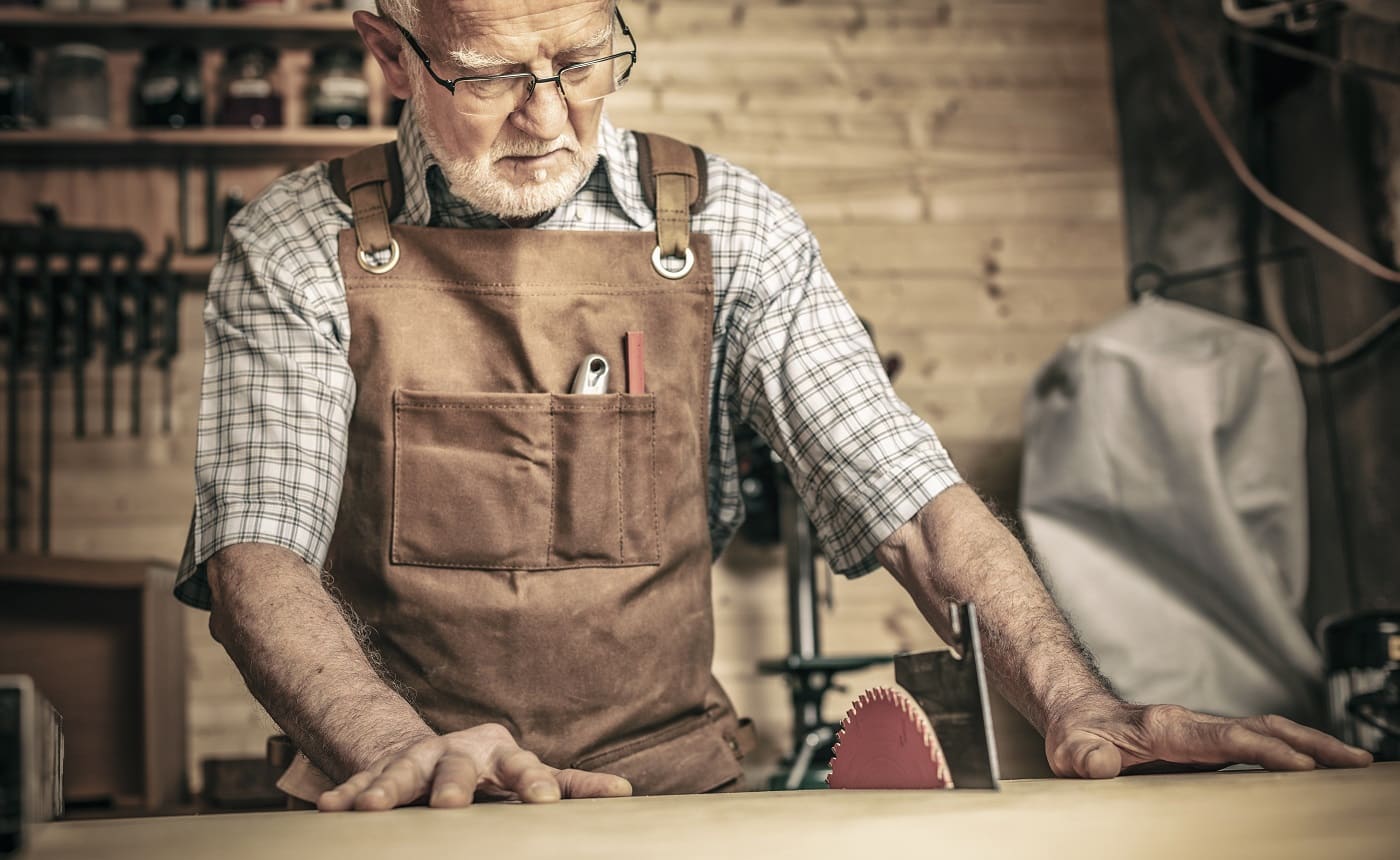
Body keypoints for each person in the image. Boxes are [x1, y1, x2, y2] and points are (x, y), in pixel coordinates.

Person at [177, 0, 1373, 812]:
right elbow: (257, 556)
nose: (547, 117)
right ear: (391, 53)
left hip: (668, 805)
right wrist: (395, 751)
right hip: (396, 804)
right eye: (492, 72)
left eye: (583, 57)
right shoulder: (300, 242)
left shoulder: (721, 222)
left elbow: (907, 500)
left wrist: (1075, 701)